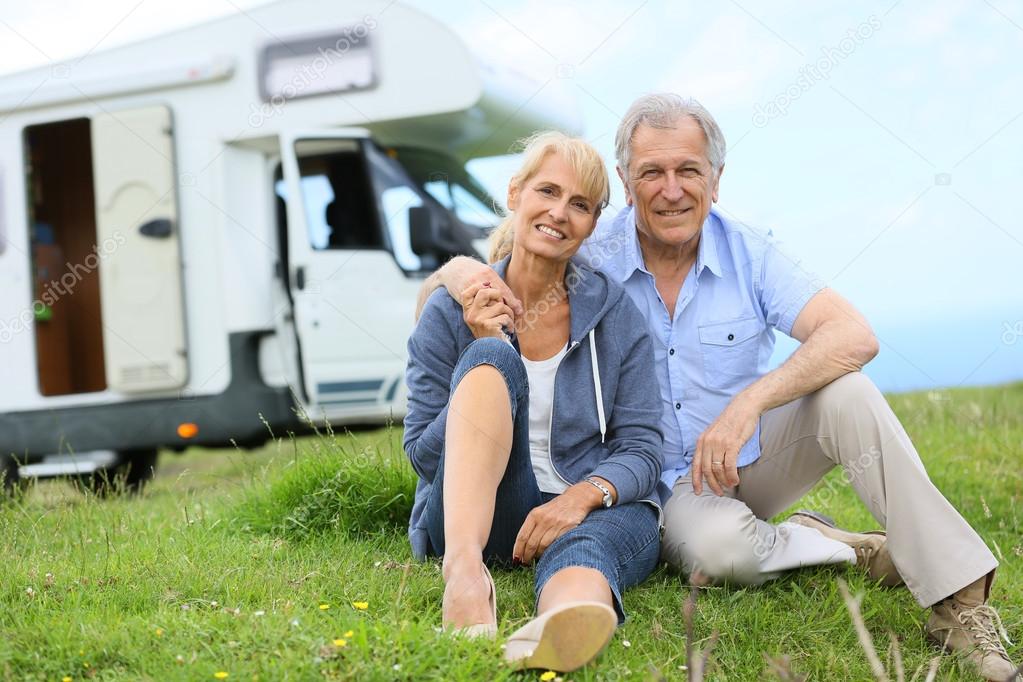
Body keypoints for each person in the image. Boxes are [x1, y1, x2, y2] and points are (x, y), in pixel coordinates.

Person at [420, 94, 1017, 680]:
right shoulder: (589, 244)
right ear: (627, 185)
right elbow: (481, 273)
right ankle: (833, 546)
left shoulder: (750, 253)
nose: (672, 189)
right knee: (721, 553)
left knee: (850, 393)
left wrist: (748, 405)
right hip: (655, 487)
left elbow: (853, 335)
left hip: (742, 462)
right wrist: (460, 270)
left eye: (689, 170)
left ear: (716, 178)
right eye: (652, 172)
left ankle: (960, 602)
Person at [403, 131, 667, 673]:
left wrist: (582, 496)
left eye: (580, 205)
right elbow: (423, 456)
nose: (559, 213)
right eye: (547, 191)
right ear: (515, 194)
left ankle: (562, 623)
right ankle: (466, 577)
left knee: (612, 528)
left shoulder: (615, 315)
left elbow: (642, 447)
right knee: (493, 361)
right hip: (479, 517)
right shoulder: (449, 312)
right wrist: (485, 348)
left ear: (593, 224)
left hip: (575, 511)